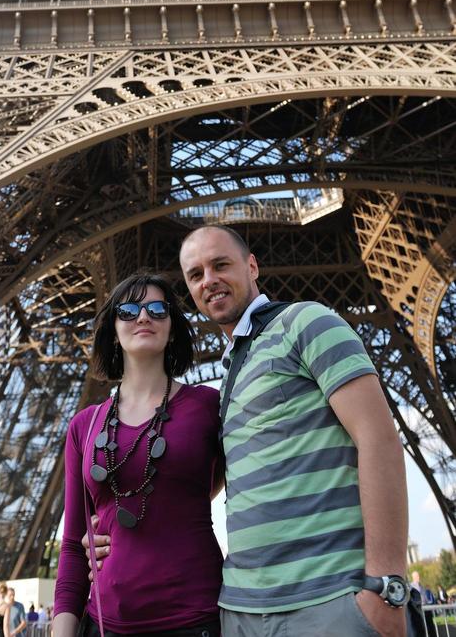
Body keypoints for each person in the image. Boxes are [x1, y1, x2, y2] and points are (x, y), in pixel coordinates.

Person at [89, 226, 411, 637]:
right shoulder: (226, 382)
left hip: (326, 599)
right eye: (196, 274)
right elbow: (183, 487)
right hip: (241, 608)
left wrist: (386, 585)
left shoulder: (306, 321)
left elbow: (379, 438)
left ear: (252, 265)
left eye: (220, 264)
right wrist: (114, 524)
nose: (209, 280)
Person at [53, 271, 224, 637]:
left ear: (173, 328)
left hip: (194, 622)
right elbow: (72, 546)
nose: (143, 317)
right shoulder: (84, 426)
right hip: (104, 624)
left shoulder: (210, 406)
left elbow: (238, 487)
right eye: (128, 310)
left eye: (157, 309)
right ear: (113, 329)